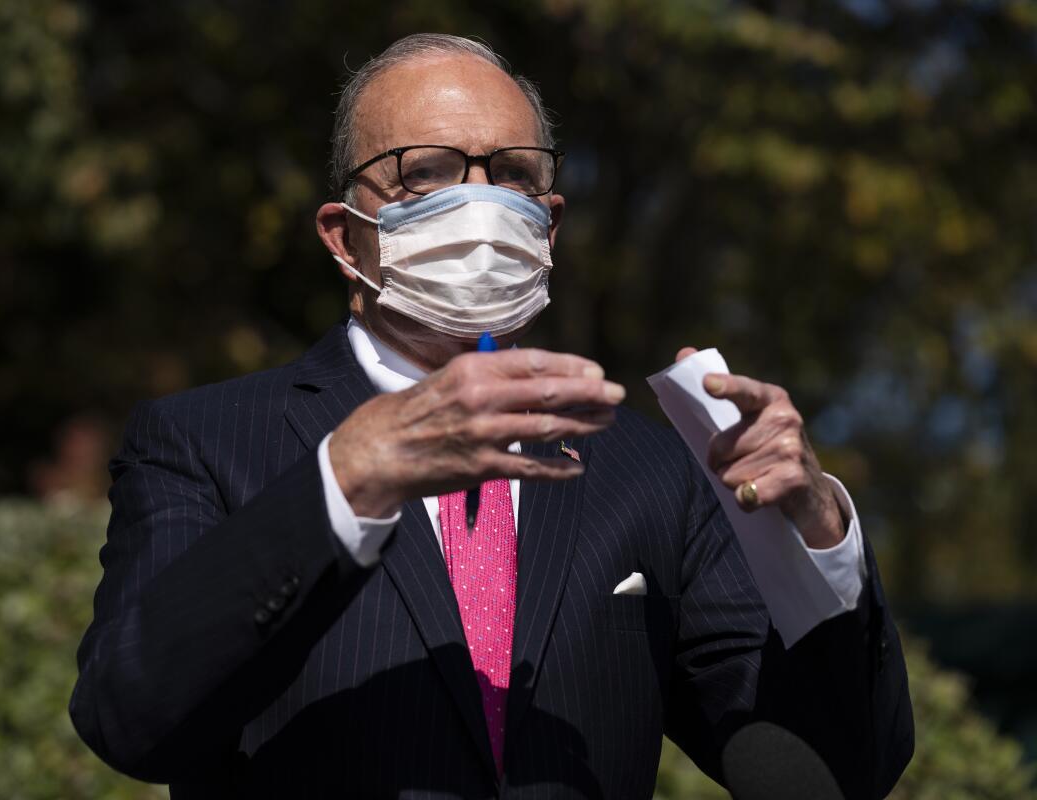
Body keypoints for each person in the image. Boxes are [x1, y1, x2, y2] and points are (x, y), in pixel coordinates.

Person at [70, 33, 913, 799]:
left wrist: (818, 532)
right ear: (342, 235)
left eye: (512, 174)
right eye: (425, 171)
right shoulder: (205, 441)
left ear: (548, 225)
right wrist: (348, 479)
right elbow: (133, 719)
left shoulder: (649, 471)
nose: (481, 202)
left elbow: (832, 777)